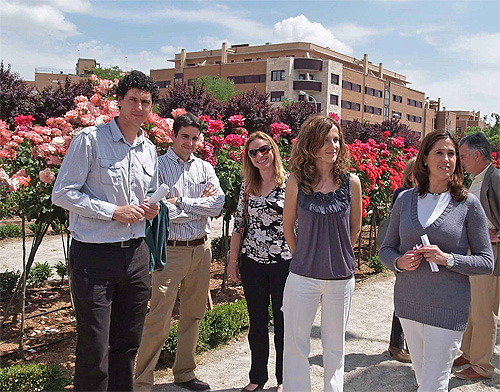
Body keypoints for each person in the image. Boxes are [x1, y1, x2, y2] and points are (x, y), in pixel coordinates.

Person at [51, 70, 160, 391]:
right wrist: (113, 212)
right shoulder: (90, 140)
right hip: (94, 257)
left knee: (127, 344)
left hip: (137, 256)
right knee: (94, 347)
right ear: (119, 102)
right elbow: (63, 193)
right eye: (133, 100)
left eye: (146, 102)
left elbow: (149, 196)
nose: (139, 107)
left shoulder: (148, 149)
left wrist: (151, 208)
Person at [380, 130, 494, 391]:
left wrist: (449, 260)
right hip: (409, 306)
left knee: (433, 384)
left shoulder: (468, 205)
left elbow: (486, 261)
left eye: (452, 153)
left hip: (448, 308)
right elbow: (386, 249)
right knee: (424, 379)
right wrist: (399, 262)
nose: (447, 159)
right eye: (439, 153)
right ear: (425, 159)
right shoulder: (405, 200)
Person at [134, 112, 225, 392]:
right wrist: (197, 206)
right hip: (169, 253)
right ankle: (142, 382)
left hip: (201, 251)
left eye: (195, 137)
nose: (190, 142)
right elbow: (160, 211)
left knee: (193, 315)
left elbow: (218, 205)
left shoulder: (205, 168)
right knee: (158, 318)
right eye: (185, 136)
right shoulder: (158, 166)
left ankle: (184, 373)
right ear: (173, 136)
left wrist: (182, 203)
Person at [282, 115, 362, 392]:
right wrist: (301, 256)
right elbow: (288, 225)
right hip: (302, 276)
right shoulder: (295, 181)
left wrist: (339, 256)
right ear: (311, 144)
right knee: (295, 344)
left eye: (336, 139)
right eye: (326, 140)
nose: (333, 145)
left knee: (335, 347)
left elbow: (355, 228)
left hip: (340, 278)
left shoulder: (352, 182)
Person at [227, 131, 292, 392]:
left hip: (284, 263)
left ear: (273, 149)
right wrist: (233, 261)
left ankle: (283, 378)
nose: (259, 156)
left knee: (283, 323)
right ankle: (257, 377)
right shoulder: (247, 186)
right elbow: (239, 225)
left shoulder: (290, 184)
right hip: (252, 262)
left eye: (263, 149)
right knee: (256, 323)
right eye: (253, 152)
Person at [453, 132, 500, 380]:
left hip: (490, 255)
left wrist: (496, 235)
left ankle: (482, 366)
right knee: (472, 308)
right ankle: (469, 354)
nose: (460, 161)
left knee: (484, 312)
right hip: (477, 254)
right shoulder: (478, 179)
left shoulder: (496, 178)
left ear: (477, 155)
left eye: (462, 156)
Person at [387, 157, 416, 363]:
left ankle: (402, 343)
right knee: (404, 300)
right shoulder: (404, 194)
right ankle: (396, 344)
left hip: (408, 254)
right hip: (402, 254)